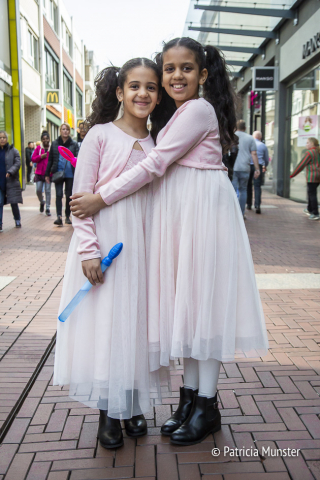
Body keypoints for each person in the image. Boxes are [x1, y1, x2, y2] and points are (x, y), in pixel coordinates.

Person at [70, 38, 269, 446]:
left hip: (200, 216)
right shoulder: (168, 118)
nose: (177, 75)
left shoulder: (195, 110)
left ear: (204, 74)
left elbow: (156, 164)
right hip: (181, 218)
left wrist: (101, 198)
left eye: (187, 68)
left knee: (202, 310)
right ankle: (189, 400)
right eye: (170, 69)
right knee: (190, 309)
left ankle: (204, 405)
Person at [53, 58, 162, 450]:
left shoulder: (158, 142)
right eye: (134, 86)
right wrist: (88, 251)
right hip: (106, 243)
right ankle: (107, 411)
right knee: (108, 329)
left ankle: (131, 403)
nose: (142, 94)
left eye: (151, 87)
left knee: (136, 324)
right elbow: (81, 200)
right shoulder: (100, 135)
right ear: (120, 92)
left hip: (143, 247)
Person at [45, 123, 79, 226]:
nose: (65, 131)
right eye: (63, 129)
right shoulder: (55, 144)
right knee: (58, 195)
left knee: (69, 195)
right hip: (58, 172)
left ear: (69, 131)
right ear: (60, 131)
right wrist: (47, 174)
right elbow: (50, 159)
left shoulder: (74, 144)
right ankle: (59, 217)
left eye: (67, 129)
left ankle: (67, 216)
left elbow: (78, 159)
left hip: (70, 174)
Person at [232, 120, 260, 218]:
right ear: (245, 128)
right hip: (245, 167)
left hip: (233, 167)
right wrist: (257, 168)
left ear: (235, 127)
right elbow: (254, 153)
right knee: (243, 190)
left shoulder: (232, 136)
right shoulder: (250, 138)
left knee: (233, 191)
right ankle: (241, 214)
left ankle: (232, 214)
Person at [290, 137, 320, 220]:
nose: (306, 144)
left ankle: (315, 213)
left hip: (312, 176)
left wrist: (292, 175)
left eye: (307, 143)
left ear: (312, 144)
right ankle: (309, 209)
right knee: (311, 192)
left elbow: (301, 165)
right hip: (318, 176)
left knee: (312, 194)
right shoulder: (318, 151)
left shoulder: (309, 153)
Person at [0, 131, 22, 231]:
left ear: (7, 139)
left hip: (10, 180)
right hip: (0, 181)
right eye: (0, 137)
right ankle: (0, 224)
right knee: (0, 202)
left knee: (13, 202)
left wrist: (11, 171)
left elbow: (18, 162)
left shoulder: (13, 150)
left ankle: (17, 219)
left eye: (4, 137)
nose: (2, 139)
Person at [247, 131, 269, 214]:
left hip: (249, 165)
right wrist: (265, 165)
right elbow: (266, 158)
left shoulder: (249, 144)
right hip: (258, 166)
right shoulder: (263, 146)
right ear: (260, 137)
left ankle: (249, 204)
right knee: (257, 186)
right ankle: (257, 205)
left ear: (253, 137)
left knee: (248, 185)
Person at [32, 131, 51, 216]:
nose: (45, 140)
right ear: (41, 140)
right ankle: (42, 201)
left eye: (47, 138)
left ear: (49, 139)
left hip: (48, 173)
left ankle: (47, 208)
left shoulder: (52, 148)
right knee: (38, 190)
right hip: (39, 173)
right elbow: (33, 159)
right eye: (43, 139)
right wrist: (40, 156)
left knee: (48, 190)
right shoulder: (38, 148)